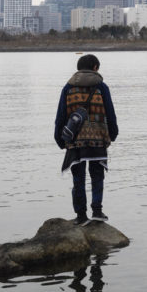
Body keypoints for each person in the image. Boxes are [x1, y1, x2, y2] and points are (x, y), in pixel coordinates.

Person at [54, 54, 118, 225]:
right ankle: (97, 211)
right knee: (97, 176)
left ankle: (81, 215)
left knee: (78, 179)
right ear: (95, 67)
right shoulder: (101, 87)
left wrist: (60, 139)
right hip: (98, 140)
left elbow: (60, 116)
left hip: (75, 142)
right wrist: (113, 133)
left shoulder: (68, 88)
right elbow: (110, 114)